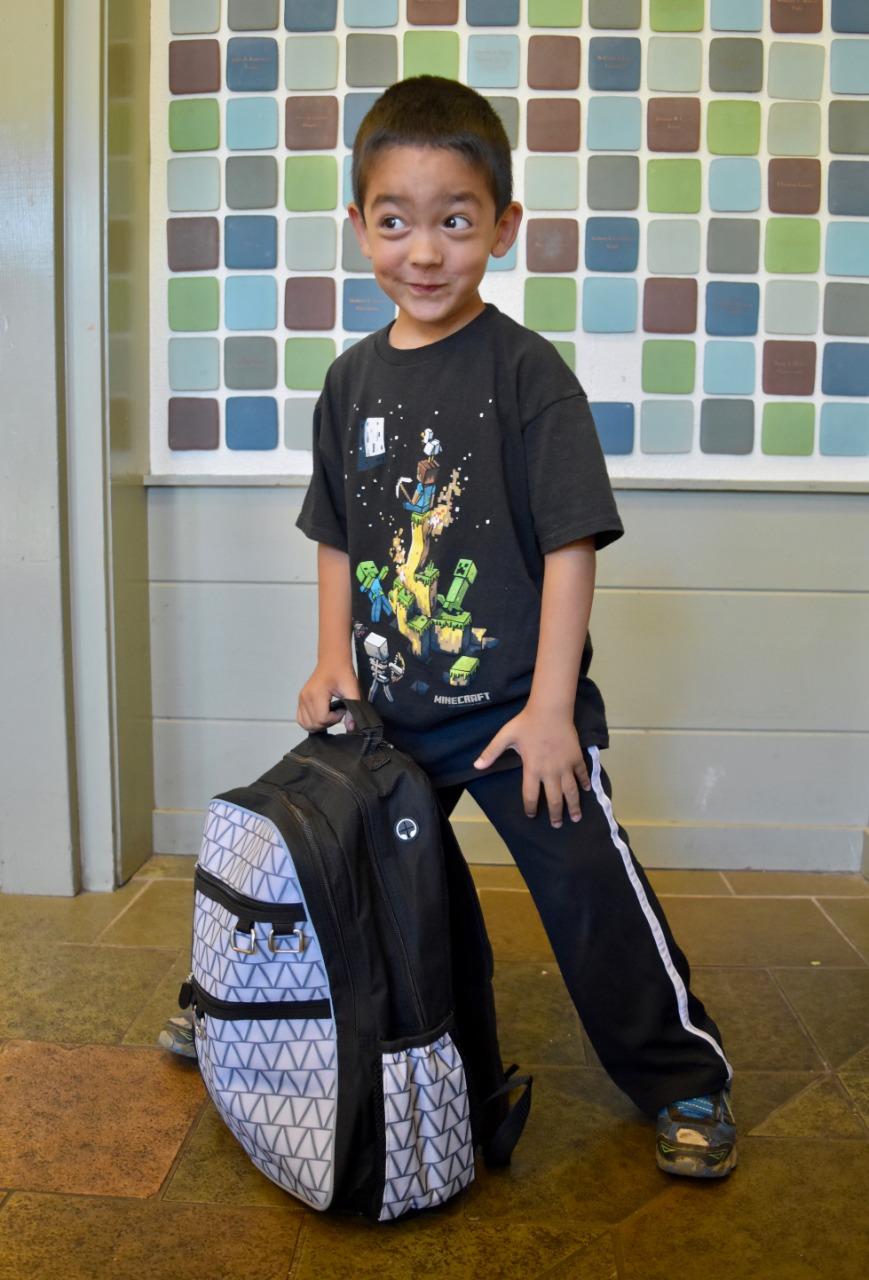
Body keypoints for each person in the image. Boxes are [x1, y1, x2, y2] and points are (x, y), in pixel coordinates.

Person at [163, 74, 736, 1182]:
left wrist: (549, 710)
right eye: (394, 221)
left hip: (516, 715)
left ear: (501, 226)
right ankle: (229, 997)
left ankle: (683, 1074)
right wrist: (332, 655)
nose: (422, 251)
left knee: (586, 890)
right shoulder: (348, 381)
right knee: (316, 853)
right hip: (388, 714)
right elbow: (337, 532)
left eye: (454, 220)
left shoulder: (526, 376)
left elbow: (571, 543)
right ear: (359, 225)